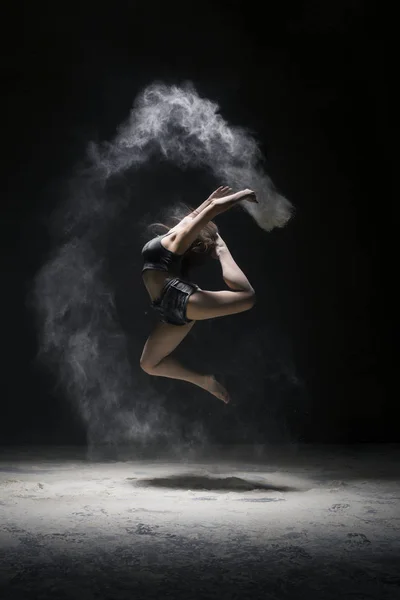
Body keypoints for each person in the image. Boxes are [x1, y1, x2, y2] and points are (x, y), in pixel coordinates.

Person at [140, 186, 258, 404]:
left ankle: (222, 251)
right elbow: (198, 214)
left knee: (248, 297)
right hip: (165, 308)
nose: (190, 221)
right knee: (149, 364)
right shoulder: (175, 233)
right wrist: (209, 200)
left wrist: (241, 195)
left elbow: (212, 211)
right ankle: (204, 381)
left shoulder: (179, 241)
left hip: (178, 299)